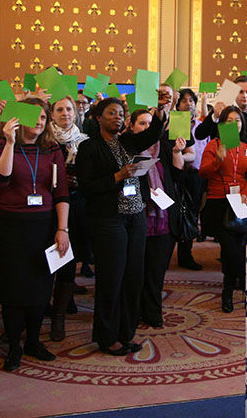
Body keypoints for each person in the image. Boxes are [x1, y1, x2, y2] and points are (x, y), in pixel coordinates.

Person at [75, 97, 161, 355]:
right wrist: (117, 176)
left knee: (133, 276)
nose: (118, 117)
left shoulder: (127, 141)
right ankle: (106, 335)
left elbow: (153, 134)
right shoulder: (89, 147)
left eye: (121, 113)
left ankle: (126, 332)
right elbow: (87, 187)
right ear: (98, 118)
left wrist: (162, 110)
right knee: (112, 278)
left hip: (135, 217)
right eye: (111, 113)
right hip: (108, 219)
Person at [0, 97, 70, 371]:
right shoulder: (1, 146)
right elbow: (0, 180)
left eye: (43, 118)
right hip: (11, 225)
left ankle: (34, 341)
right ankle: (14, 346)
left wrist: (62, 229)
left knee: (39, 287)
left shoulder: (52, 150)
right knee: (13, 289)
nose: (39, 122)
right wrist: (10, 143)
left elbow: (61, 193)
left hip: (43, 225)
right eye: (34, 117)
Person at [199, 106, 247, 313]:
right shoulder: (213, 145)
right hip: (218, 203)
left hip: (239, 205)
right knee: (231, 251)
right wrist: (218, 158)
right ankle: (228, 292)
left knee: (240, 248)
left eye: (238, 120)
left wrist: (245, 193)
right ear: (222, 124)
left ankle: (235, 287)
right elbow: (203, 172)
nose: (235, 124)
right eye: (229, 120)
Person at [134, 109, 190, 327]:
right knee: (138, 271)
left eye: (150, 124)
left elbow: (178, 177)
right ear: (132, 127)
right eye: (142, 124)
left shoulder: (164, 146)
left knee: (156, 272)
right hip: (138, 218)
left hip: (164, 219)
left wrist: (177, 152)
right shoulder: (129, 149)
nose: (147, 128)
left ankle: (153, 312)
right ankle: (136, 311)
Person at [48, 95, 89, 342]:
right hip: (47, 206)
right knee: (45, 260)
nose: (65, 113)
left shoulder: (84, 142)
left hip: (77, 205)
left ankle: (59, 315)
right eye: (60, 109)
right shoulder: (44, 142)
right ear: (51, 114)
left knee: (67, 259)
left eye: (69, 109)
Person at [174, 88, 205, 270]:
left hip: (198, 175)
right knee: (177, 212)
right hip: (179, 173)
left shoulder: (202, 125)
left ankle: (186, 253)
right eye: (184, 100)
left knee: (193, 213)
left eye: (191, 100)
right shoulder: (175, 123)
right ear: (177, 105)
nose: (188, 103)